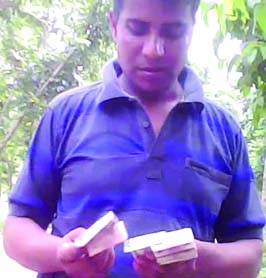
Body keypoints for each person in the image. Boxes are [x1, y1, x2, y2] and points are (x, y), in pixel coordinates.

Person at [3, 0, 265, 277]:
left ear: (191, 30)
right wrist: (61, 254)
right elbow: (18, 228)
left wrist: (198, 259)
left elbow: (249, 253)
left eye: (173, 32)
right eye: (138, 29)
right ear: (114, 26)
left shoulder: (224, 130)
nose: (154, 50)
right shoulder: (65, 114)